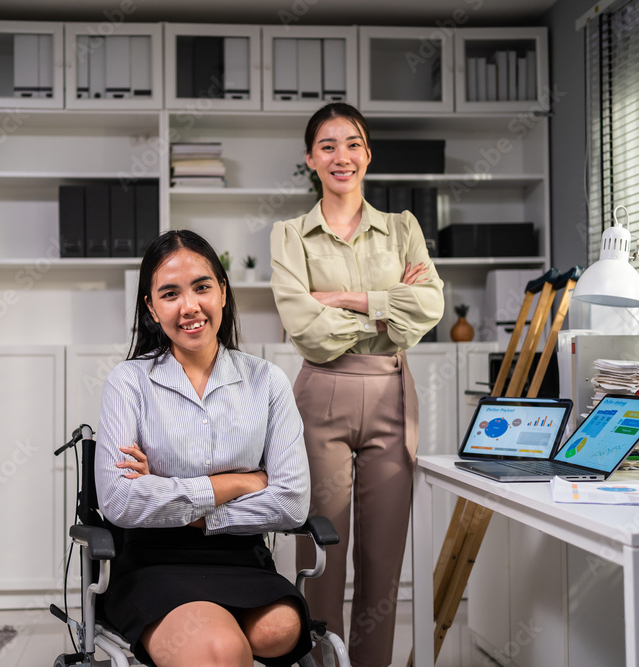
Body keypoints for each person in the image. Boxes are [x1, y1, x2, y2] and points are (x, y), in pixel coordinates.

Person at [270, 102, 444, 667]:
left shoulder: (402, 229)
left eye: (352, 144)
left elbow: (429, 309)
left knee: (383, 561)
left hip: (393, 396)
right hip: (321, 395)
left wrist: (345, 300)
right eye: (327, 146)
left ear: (367, 154)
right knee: (321, 552)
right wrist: (391, 306)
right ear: (310, 160)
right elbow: (306, 330)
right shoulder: (289, 234)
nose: (341, 156)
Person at [94, 229, 313, 667]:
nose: (189, 306)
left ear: (223, 291)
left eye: (202, 287)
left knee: (278, 631)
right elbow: (119, 501)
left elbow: (291, 502)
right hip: (153, 561)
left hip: (244, 558)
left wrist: (178, 499)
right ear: (151, 309)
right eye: (170, 293)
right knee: (220, 647)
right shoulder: (129, 382)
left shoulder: (267, 381)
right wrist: (240, 482)